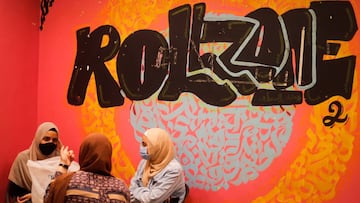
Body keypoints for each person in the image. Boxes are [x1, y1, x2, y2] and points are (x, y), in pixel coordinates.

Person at [44, 133, 131, 203]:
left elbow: (49, 197)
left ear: (84, 152)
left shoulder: (68, 182)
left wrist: (63, 165)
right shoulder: (121, 187)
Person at [7, 122, 63, 203]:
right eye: (46, 139)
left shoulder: (60, 158)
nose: (50, 142)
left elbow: (62, 189)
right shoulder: (23, 158)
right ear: (38, 139)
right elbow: (14, 190)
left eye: (54, 140)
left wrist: (37, 196)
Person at [129, 128, 186, 203]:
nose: (142, 147)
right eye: (142, 143)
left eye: (145, 144)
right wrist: (146, 192)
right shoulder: (145, 162)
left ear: (157, 147)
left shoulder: (174, 170)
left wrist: (137, 192)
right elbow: (131, 188)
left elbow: (152, 199)